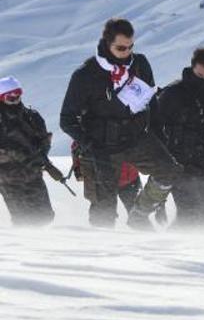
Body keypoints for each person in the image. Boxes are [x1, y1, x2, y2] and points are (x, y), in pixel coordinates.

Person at [59, 17, 182, 229]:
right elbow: (66, 120)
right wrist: (90, 144)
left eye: (131, 46)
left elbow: (151, 103)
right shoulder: (85, 75)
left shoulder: (140, 64)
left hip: (136, 138)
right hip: (102, 147)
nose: (127, 52)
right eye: (121, 48)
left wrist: (160, 139)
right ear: (107, 44)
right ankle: (101, 255)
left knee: (169, 170)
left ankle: (139, 214)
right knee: (104, 211)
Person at [156, 48, 204, 229]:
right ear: (192, 68)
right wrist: (161, 165)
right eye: (200, 75)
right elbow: (155, 129)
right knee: (188, 214)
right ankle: (170, 251)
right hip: (180, 164)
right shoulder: (173, 93)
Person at [0, 76, 55, 226]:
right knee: (23, 221)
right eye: (10, 97)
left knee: (45, 217)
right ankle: (25, 249)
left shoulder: (32, 116)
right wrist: (19, 155)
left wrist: (43, 154)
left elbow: (43, 140)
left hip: (33, 175)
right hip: (8, 179)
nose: (15, 99)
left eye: (18, 94)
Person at [71, 141, 142, 219]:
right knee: (102, 216)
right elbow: (77, 148)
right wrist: (78, 170)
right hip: (105, 181)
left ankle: (142, 228)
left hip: (124, 179)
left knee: (137, 213)